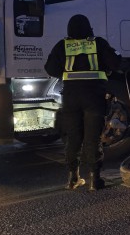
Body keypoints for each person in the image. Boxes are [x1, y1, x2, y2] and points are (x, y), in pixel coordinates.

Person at [45, 14, 121, 190]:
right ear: (89, 28)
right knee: (92, 138)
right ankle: (95, 180)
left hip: (71, 98)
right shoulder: (98, 43)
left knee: (73, 138)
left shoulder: (62, 45)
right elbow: (116, 63)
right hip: (94, 97)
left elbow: (50, 69)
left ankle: (73, 178)